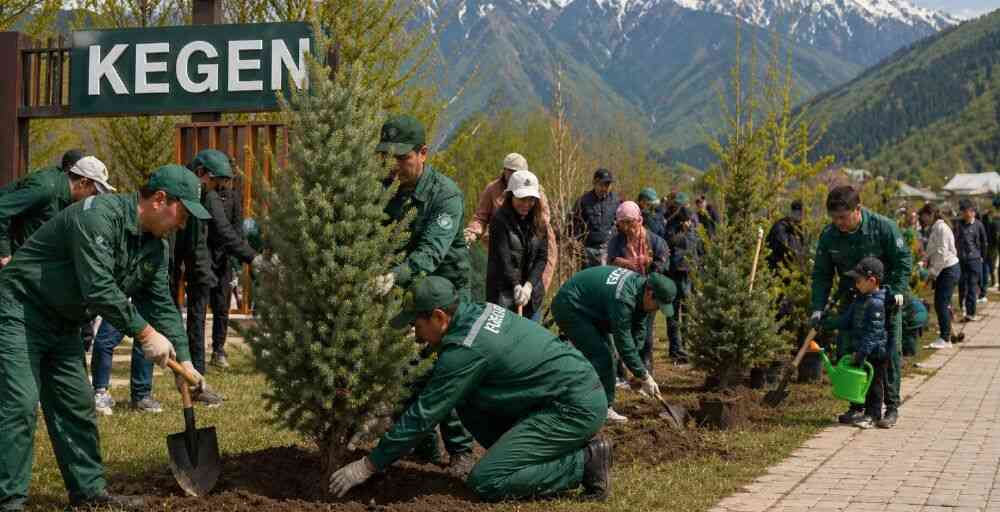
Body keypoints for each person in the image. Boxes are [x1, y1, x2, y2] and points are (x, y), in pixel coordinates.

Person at [0, 165, 212, 511]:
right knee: (20, 404)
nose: (183, 223)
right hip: (20, 310)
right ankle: (8, 501)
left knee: (77, 404)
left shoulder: (156, 249)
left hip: (63, 321)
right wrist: (144, 333)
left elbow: (161, 304)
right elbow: (98, 287)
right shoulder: (98, 217)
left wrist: (183, 361)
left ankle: (89, 494)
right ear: (160, 200)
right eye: (183, 213)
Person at [328, 277, 613, 501]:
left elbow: (424, 414)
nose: (414, 332)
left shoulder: (466, 350)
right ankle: (527, 456)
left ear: (439, 317)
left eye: (417, 323)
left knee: (487, 481)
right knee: (466, 400)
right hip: (562, 390)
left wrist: (368, 465)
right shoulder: (474, 312)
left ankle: (585, 462)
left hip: (573, 406)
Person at [373, 114, 475, 475]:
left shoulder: (445, 195)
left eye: (403, 158)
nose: (396, 166)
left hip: (448, 294)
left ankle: (460, 451)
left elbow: (432, 251)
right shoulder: (384, 191)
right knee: (404, 368)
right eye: (389, 157)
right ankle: (425, 445)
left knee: (446, 370)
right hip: (408, 290)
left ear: (423, 153)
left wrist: (394, 276)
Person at [810, 185, 911, 430]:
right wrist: (818, 308)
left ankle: (891, 406)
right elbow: (822, 274)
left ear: (858, 209)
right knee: (851, 351)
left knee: (886, 355)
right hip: (851, 302)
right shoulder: (829, 236)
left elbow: (902, 262)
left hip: (883, 302)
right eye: (834, 218)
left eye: (843, 218)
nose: (838, 223)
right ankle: (857, 405)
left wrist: (896, 292)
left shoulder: (883, 228)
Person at [551, 266, 676, 423]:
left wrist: (635, 369)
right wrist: (644, 376)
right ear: (650, 294)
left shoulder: (641, 289)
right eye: (658, 306)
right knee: (603, 356)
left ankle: (589, 400)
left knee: (607, 355)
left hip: (591, 307)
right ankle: (602, 409)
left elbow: (638, 331)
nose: (656, 310)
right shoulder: (624, 298)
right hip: (571, 305)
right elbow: (623, 340)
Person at [197, 150, 259, 370]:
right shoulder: (205, 194)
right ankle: (197, 351)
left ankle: (218, 349)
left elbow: (236, 229)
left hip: (224, 257)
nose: (227, 180)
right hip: (205, 253)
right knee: (201, 304)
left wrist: (235, 262)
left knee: (222, 306)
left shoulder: (233, 197)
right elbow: (217, 228)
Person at [0, 151, 113, 268]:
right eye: (94, 192)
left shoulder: (68, 197)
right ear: (83, 182)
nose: (94, 197)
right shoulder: (45, 188)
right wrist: (4, 254)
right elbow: (2, 210)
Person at [465, 153, 557, 293]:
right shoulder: (493, 189)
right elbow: (481, 216)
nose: (514, 175)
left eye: (518, 172)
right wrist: (472, 232)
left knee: (534, 289)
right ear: (504, 170)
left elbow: (543, 219)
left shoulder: (535, 190)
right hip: (504, 247)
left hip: (531, 247)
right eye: (511, 171)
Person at [821, 257, 890, 429]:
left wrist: (862, 353)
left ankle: (873, 415)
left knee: (874, 385)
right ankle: (857, 410)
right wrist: (826, 323)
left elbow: (874, 333)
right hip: (862, 350)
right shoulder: (860, 299)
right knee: (859, 382)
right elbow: (846, 320)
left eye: (858, 280)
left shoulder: (876, 303)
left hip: (875, 352)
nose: (856, 284)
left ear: (872, 281)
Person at [607, 201, 669, 376]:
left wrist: (650, 263)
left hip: (647, 294)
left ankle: (646, 368)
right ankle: (621, 372)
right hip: (624, 293)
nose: (627, 227)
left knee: (646, 333)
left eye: (630, 222)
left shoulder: (655, 241)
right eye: (623, 223)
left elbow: (663, 262)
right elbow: (611, 261)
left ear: (639, 220)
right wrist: (628, 263)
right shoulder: (617, 241)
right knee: (623, 331)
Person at [486, 170, 548, 320]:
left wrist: (529, 286)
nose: (526, 204)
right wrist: (515, 285)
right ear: (511, 195)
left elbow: (542, 257)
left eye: (531, 200)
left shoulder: (540, 222)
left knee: (529, 338)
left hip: (531, 296)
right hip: (502, 294)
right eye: (521, 198)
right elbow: (503, 257)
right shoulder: (499, 221)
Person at [91, 320, 159, 414]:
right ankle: (100, 393)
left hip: (145, 306)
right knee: (106, 339)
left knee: (144, 342)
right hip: (122, 306)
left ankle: (141, 397)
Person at [919, 203, 961, 349]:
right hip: (945, 269)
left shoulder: (941, 228)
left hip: (948, 269)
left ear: (930, 214)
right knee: (945, 303)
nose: (922, 219)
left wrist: (933, 273)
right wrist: (925, 260)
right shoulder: (936, 228)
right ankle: (951, 333)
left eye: (923, 215)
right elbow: (933, 250)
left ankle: (945, 338)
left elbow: (943, 253)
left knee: (941, 304)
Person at [664, 205, 699, 365]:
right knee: (673, 313)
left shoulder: (694, 228)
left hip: (689, 273)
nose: (688, 222)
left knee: (688, 312)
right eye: (686, 220)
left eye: (689, 220)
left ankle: (686, 346)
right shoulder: (671, 227)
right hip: (674, 274)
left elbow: (697, 248)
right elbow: (669, 243)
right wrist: (682, 231)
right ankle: (675, 348)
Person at [571, 169, 620, 268]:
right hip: (589, 251)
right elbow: (572, 225)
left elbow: (620, 223)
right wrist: (576, 245)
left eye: (607, 185)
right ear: (594, 183)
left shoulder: (615, 200)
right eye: (602, 184)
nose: (605, 188)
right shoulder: (583, 201)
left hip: (609, 250)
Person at [955, 199, 987, 322]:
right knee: (962, 285)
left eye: (968, 212)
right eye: (963, 212)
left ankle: (971, 312)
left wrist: (981, 256)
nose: (966, 215)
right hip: (961, 260)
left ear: (973, 212)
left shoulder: (979, 225)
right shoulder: (959, 225)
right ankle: (962, 307)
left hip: (974, 260)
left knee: (972, 286)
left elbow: (984, 242)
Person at [766, 200, 805, 271]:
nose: (800, 216)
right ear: (792, 212)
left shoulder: (799, 230)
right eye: (797, 213)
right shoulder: (781, 227)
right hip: (779, 269)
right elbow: (785, 247)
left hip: (792, 270)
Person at [901, 293, 929, 357]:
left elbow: (905, 313)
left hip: (916, 316)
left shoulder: (903, 298)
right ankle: (910, 351)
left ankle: (910, 352)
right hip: (922, 314)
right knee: (912, 335)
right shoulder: (911, 296)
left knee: (908, 334)